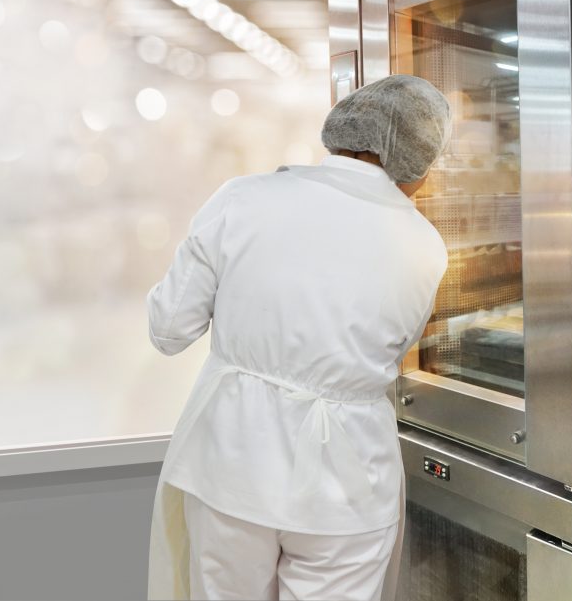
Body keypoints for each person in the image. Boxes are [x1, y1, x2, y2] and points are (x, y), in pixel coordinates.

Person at [146, 74, 451, 601]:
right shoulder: (426, 245)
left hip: (231, 465)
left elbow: (169, 330)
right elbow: (388, 355)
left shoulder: (244, 198)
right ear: (417, 160)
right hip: (350, 486)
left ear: (340, 132)